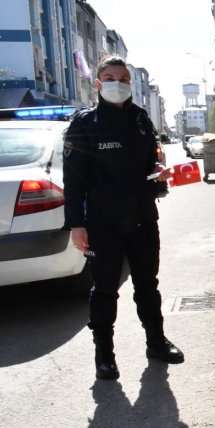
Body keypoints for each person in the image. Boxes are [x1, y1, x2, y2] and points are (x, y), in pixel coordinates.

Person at [63, 55, 183, 380]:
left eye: (124, 78)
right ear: (98, 83)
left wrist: (158, 173)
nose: (119, 83)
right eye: (111, 77)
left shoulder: (142, 120)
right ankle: (104, 355)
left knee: (148, 285)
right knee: (104, 290)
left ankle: (156, 342)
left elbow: (151, 163)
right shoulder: (84, 124)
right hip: (104, 224)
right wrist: (76, 224)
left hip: (143, 217)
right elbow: (73, 180)